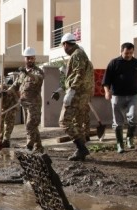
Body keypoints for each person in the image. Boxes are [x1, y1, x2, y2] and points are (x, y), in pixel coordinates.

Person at [51, 33, 94, 161]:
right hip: (82, 95)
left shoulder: (77, 55)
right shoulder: (80, 55)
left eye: (63, 46)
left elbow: (79, 74)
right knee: (77, 123)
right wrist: (61, 90)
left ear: (66, 44)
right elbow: (75, 76)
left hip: (77, 94)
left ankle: (81, 148)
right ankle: (81, 151)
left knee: (64, 121)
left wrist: (72, 91)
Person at [102, 42, 137, 153]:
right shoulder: (114, 63)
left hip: (133, 95)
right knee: (118, 122)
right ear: (121, 51)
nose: (129, 55)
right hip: (117, 96)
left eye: (131, 53)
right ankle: (119, 144)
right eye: (126, 53)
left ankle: (129, 137)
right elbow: (106, 80)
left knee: (134, 117)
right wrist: (107, 92)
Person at [9, 47, 45, 153]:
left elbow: (37, 78)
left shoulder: (38, 71)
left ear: (34, 59)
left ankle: (29, 147)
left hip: (34, 104)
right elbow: (15, 86)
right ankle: (39, 147)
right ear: (25, 59)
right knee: (32, 126)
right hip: (24, 104)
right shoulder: (21, 74)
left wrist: (28, 73)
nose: (30, 60)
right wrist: (6, 92)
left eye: (32, 58)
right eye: (28, 58)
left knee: (30, 125)